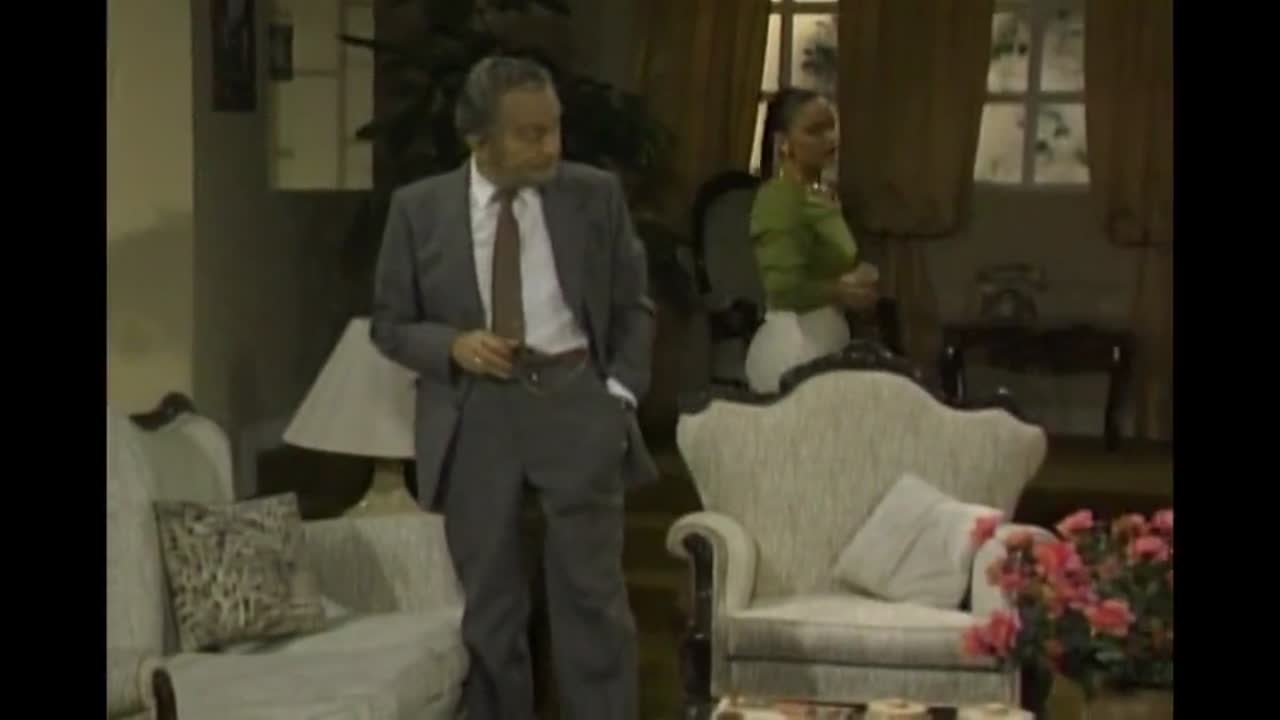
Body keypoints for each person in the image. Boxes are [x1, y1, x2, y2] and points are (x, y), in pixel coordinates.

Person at [370, 56, 656, 720]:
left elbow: (635, 305)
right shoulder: (419, 210)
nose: (551, 146)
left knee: (592, 599)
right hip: (475, 414)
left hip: (575, 401)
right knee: (491, 605)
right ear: (479, 138)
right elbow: (389, 323)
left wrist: (618, 396)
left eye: (554, 128)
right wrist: (452, 346)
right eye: (531, 134)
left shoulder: (594, 196)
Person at [744, 88, 880, 393]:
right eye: (815, 131)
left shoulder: (823, 196)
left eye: (831, 128)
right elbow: (783, 287)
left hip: (828, 342)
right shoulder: (779, 198)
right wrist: (841, 290)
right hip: (794, 348)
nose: (830, 138)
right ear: (784, 142)